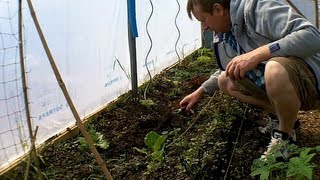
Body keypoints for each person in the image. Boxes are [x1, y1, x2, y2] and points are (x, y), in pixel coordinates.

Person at [180, 0, 320, 160]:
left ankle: (284, 140)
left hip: (313, 81)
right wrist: (201, 91)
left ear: (218, 9)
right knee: (226, 80)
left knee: (274, 69)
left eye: (203, 20)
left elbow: (313, 36)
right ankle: (286, 119)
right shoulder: (228, 33)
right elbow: (226, 69)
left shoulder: (257, 8)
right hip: (289, 83)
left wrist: (258, 54)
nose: (204, 27)